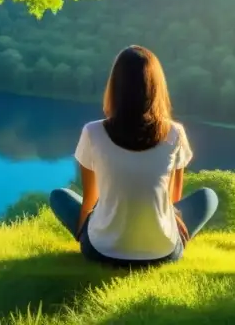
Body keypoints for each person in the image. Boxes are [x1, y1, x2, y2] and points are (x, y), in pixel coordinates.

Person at [49, 45, 219, 267]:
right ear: (156, 87)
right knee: (208, 197)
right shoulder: (175, 133)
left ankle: (99, 238)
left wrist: (84, 234)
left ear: (115, 87)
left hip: (102, 251)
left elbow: (90, 199)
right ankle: (166, 238)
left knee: (59, 196)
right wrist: (173, 221)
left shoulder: (93, 132)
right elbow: (172, 198)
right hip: (163, 253)